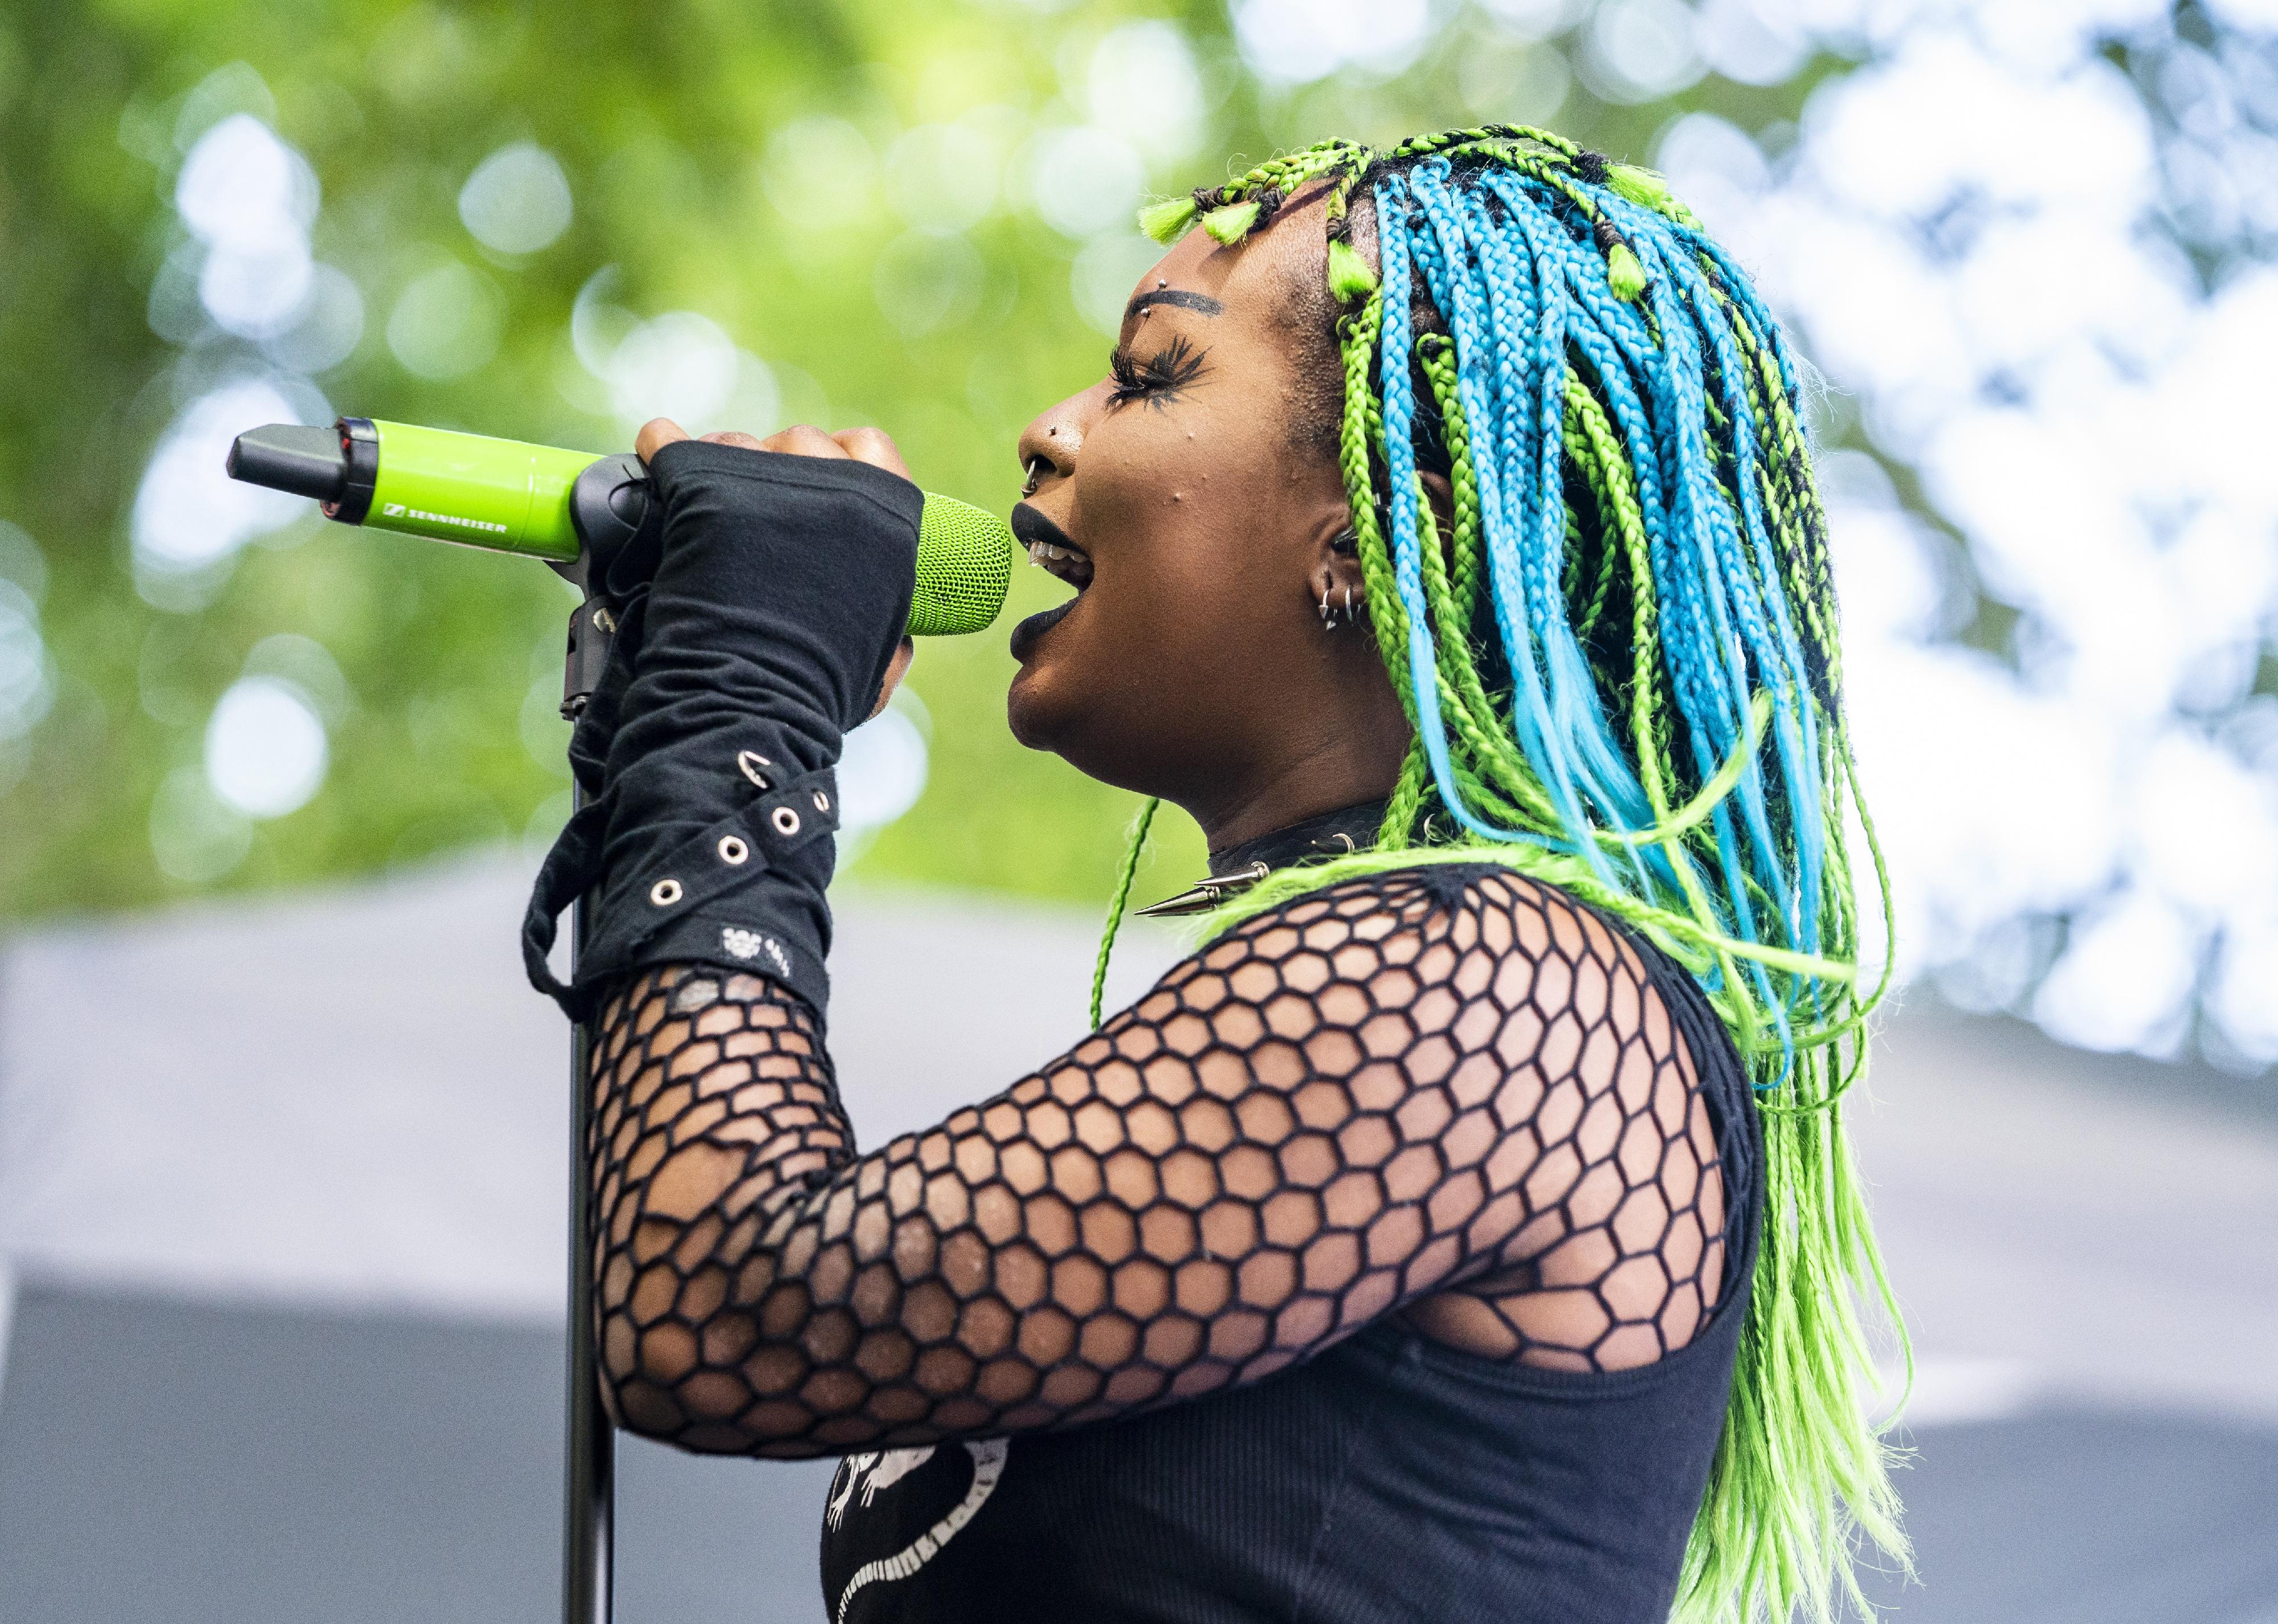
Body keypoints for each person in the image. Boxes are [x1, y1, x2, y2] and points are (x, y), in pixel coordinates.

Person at [523, 126, 1904, 1624]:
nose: (1050, 430)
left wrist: (744, 693)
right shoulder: (1412, 984)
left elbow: (719, 1307)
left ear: (1388, 519)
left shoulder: (1492, 990)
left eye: (1150, 376)